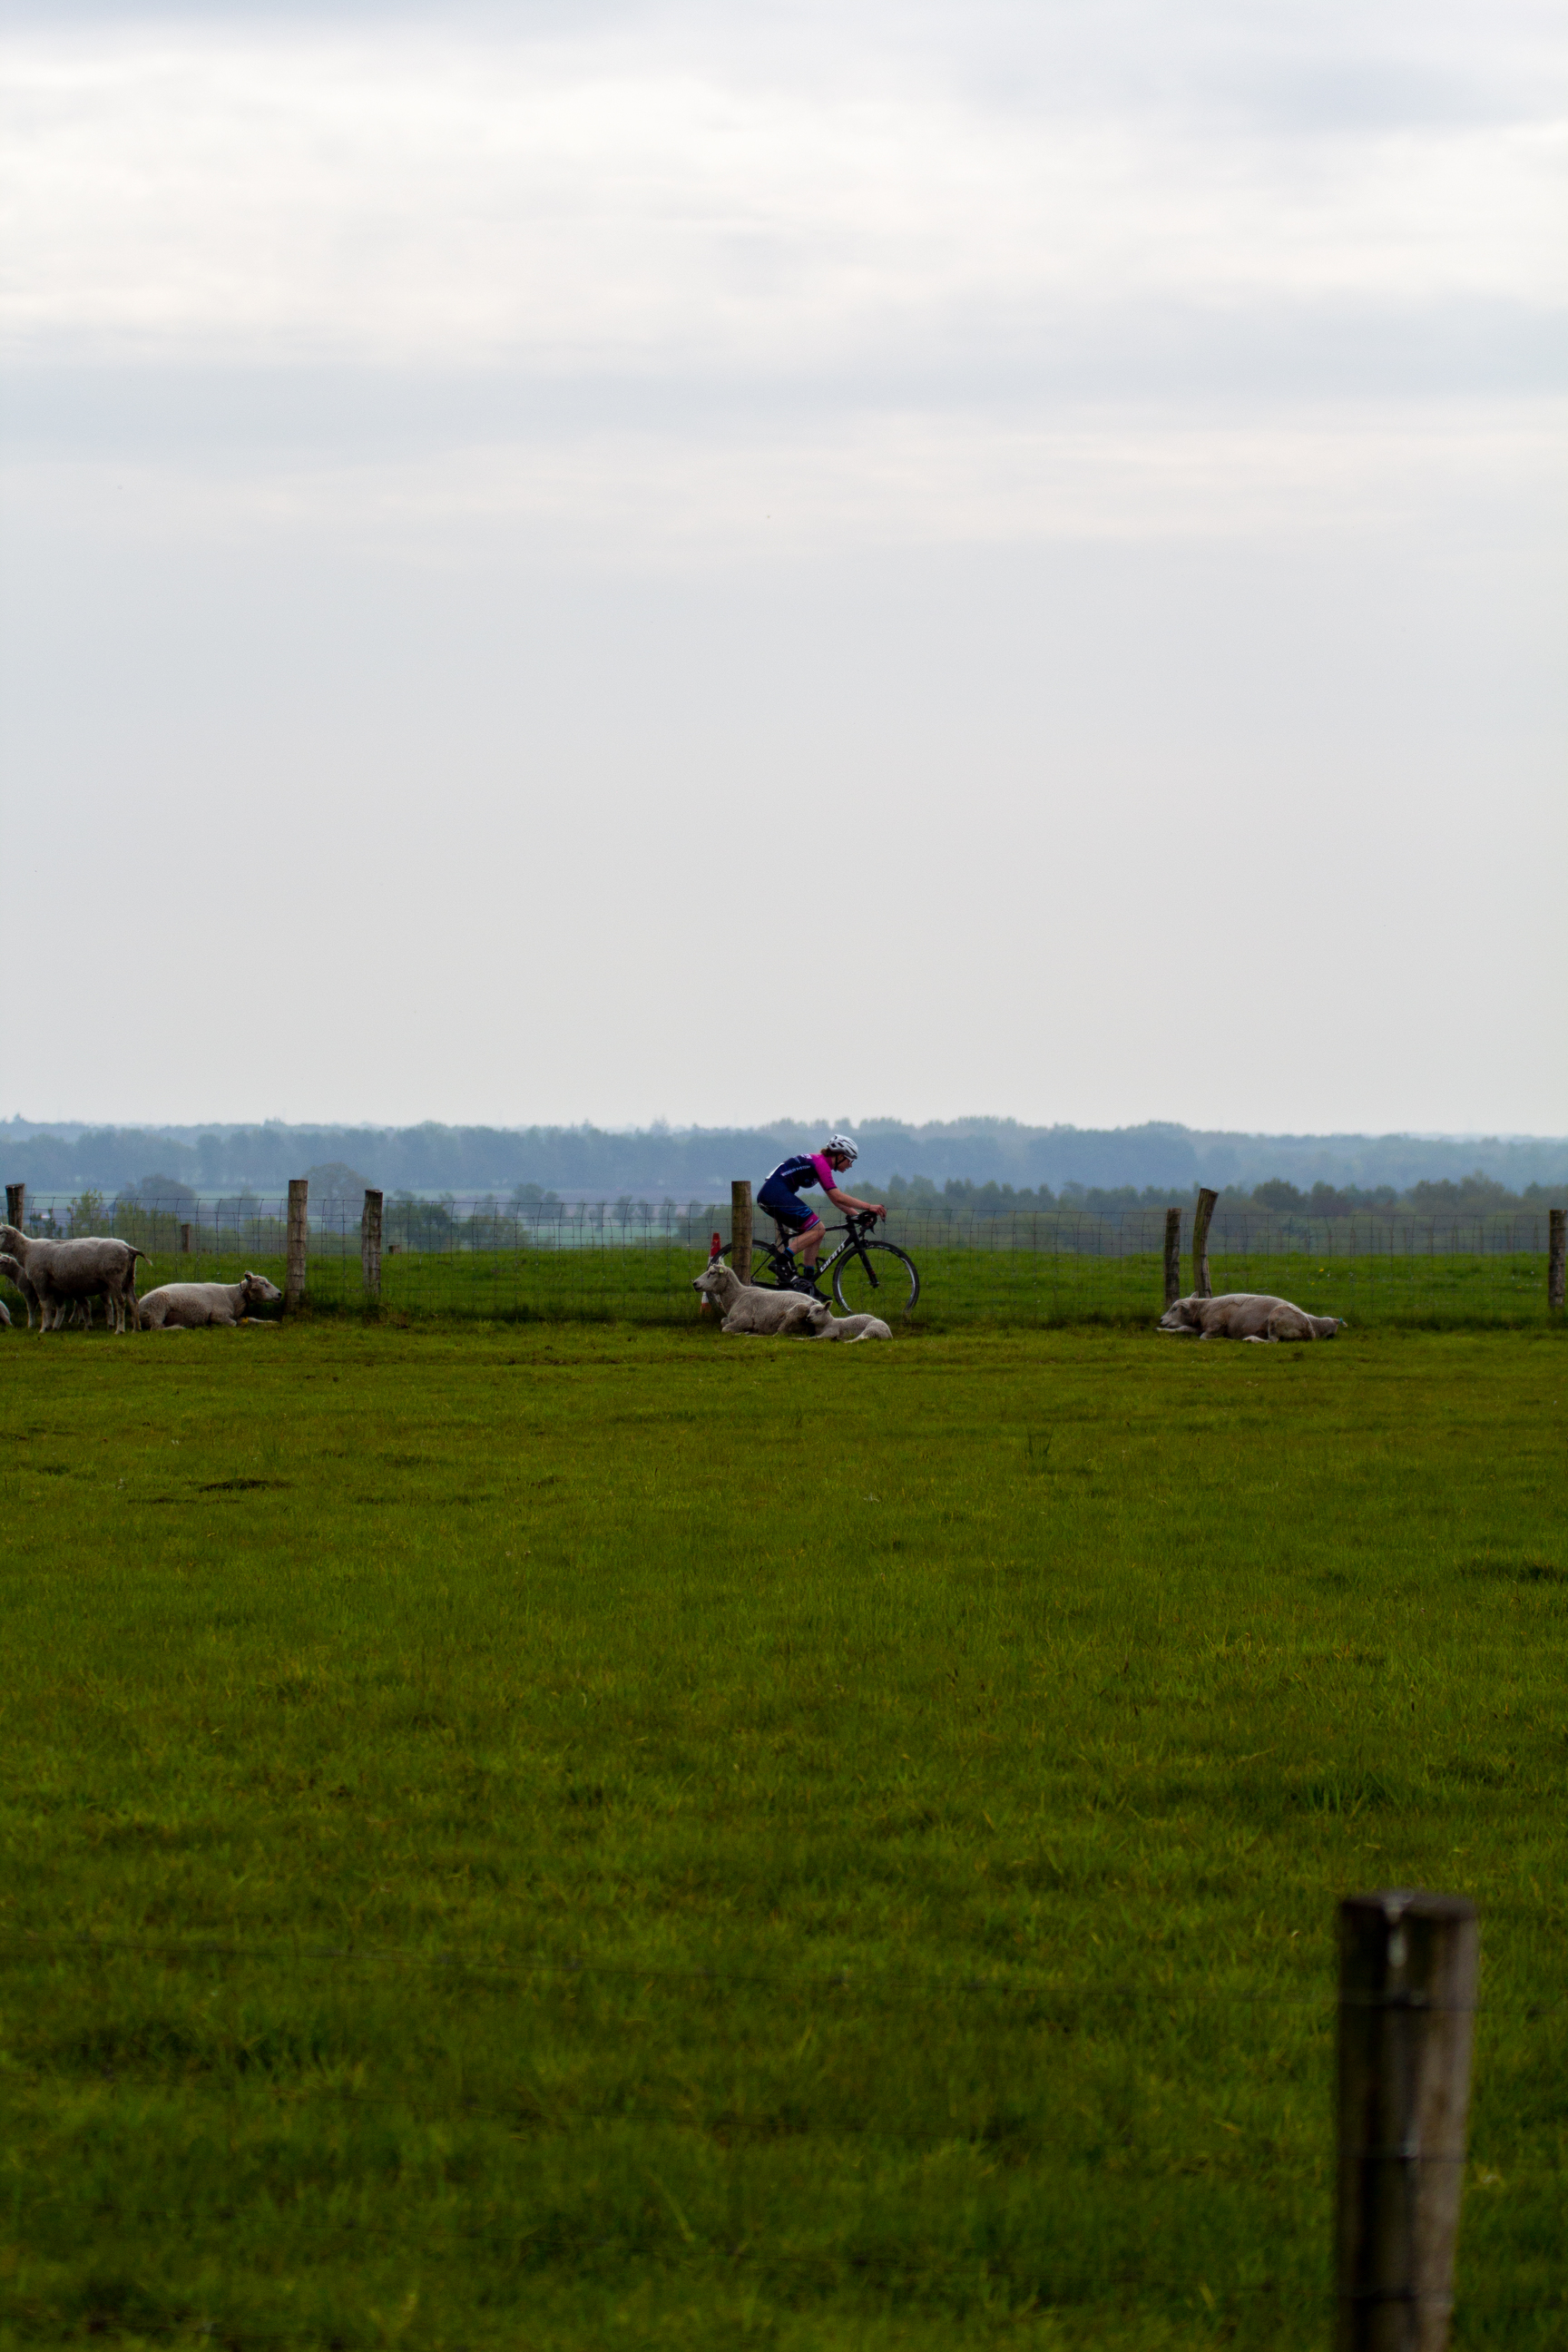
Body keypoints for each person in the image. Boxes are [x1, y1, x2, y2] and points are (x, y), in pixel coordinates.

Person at [757, 1133, 886, 1290]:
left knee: (816, 1232)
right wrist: (869, 1206)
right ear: (839, 1156)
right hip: (775, 1194)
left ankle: (807, 1285)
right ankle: (780, 1262)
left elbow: (835, 1199)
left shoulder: (820, 1164)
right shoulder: (821, 1164)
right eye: (850, 1160)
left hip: (775, 1194)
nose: (850, 1165)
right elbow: (838, 1196)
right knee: (818, 1228)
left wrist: (856, 1216)